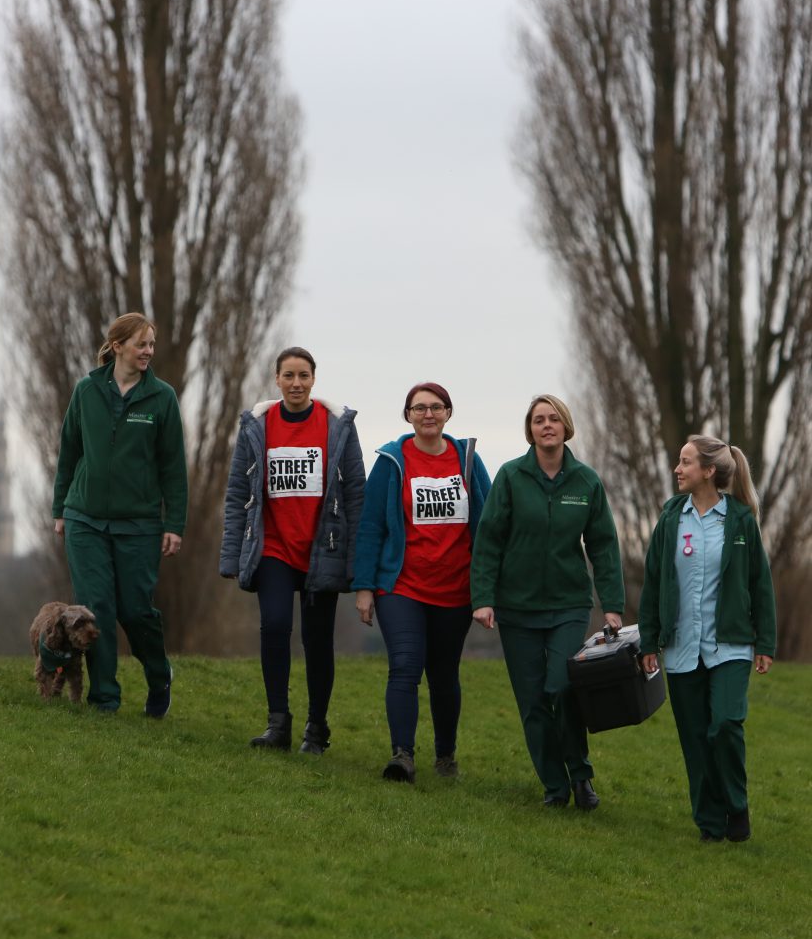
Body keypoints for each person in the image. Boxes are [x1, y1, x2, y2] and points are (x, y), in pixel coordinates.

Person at [471, 394, 624, 810]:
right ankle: (554, 786)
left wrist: (611, 605)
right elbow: (488, 541)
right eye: (538, 420)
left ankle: (581, 775)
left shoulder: (586, 482)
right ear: (530, 430)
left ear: (566, 426)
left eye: (553, 418)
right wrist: (483, 598)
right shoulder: (510, 477)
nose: (546, 425)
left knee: (562, 687)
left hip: (568, 606)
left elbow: (604, 546)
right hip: (517, 608)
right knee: (533, 700)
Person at [219, 347, 365, 754]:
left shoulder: (337, 426)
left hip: (323, 549)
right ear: (277, 379)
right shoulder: (257, 427)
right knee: (276, 626)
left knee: (317, 641)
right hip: (274, 549)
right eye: (288, 376)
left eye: (303, 375)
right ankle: (277, 723)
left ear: (314, 379)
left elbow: (356, 493)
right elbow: (236, 495)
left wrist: (356, 559)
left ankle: (316, 728)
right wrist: (231, 554)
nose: (296, 383)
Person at [638, 435, 776, 843]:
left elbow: (760, 584)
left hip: (730, 646)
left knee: (725, 725)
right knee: (696, 740)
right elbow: (653, 582)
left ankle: (737, 804)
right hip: (681, 647)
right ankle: (710, 824)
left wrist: (764, 642)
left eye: (685, 462)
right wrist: (649, 641)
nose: (677, 470)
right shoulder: (669, 518)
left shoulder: (740, 521)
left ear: (709, 471)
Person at [353, 383, 491, 783]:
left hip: (455, 589)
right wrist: (364, 586)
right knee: (405, 667)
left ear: (448, 412)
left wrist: (488, 587)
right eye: (419, 408)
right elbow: (370, 528)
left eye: (436, 407)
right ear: (408, 415)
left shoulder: (467, 460)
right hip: (402, 587)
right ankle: (403, 756)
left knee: (444, 674)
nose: (428, 414)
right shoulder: (391, 461)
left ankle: (446, 756)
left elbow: (488, 524)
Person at [51, 312, 187, 715]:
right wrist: (61, 508)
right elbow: (69, 453)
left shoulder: (161, 397)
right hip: (85, 519)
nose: (148, 352)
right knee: (97, 610)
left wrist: (173, 523)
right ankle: (104, 697)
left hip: (139, 524)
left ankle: (159, 672)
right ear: (117, 347)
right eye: (141, 344)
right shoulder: (86, 391)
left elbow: (173, 468)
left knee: (135, 610)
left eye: (151, 345)